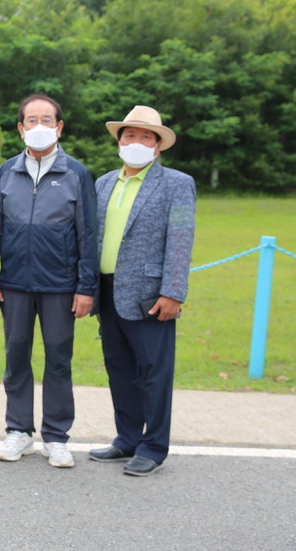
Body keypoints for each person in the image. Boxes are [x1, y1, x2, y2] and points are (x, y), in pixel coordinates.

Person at [0, 94, 97, 469]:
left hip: (60, 285)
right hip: (14, 283)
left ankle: (56, 436)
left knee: (59, 359)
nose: (38, 127)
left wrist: (85, 287)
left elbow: (88, 236)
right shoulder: (6, 172)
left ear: (59, 127)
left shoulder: (77, 174)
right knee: (16, 357)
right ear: (20, 129)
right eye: (30, 121)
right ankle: (18, 431)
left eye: (46, 120)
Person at [89, 105, 195, 477]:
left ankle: (153, 446)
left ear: (158, 145)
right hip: (106, 292)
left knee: (154, 372)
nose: (136, 141)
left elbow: (181, 240)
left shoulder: (177, 184)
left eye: (145, 136)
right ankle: (127, 438)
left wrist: (174, 291)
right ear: (119, 141)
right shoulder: (103, 184)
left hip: (151, 295)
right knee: (119, 369)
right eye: (129, 135)